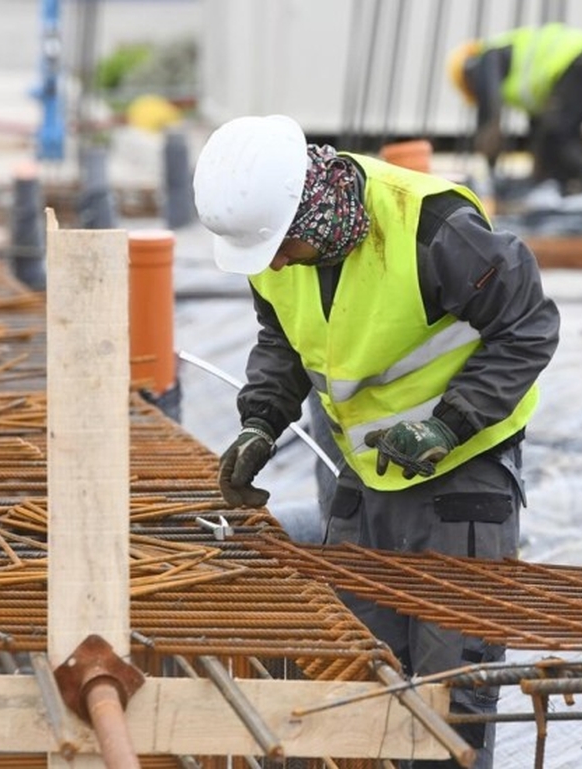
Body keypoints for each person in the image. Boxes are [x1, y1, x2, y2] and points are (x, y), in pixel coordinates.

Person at [192, 114, 560, 769]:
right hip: (364, 476)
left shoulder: (428, 227)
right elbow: (284, 341)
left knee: (452, 691)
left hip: (461, 476)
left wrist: (449, 423)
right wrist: (260, 422)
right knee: (366, 683)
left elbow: (526, 324)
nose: (272, 262)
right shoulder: (275, 247)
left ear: (308, 212)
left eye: (278, 245)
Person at [447, 23, 582, 195]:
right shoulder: (520, 74)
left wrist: (490, 168)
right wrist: (539, 175)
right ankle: (566, 188)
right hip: (572, 62)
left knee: (559, 135)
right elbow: (539, 130)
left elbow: (490, 124)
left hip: (574, 59)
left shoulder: (486, 60)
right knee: (555, 138)